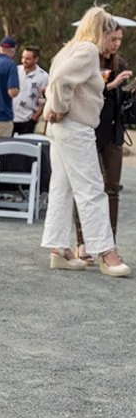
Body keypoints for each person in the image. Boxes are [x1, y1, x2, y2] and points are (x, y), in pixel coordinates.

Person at [40, 7, 130, 278]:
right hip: (75, 126)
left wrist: (56, 108)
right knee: (92, 189)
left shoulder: (69, 48)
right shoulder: (88, 51)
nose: (111, 42)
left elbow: (58, 77)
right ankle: (106, 252)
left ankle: (59, 248)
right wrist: (59, 105)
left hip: (60, 127)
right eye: (109, 34)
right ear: (101, 31)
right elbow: (60, 80)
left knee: (62, 188)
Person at [73, 21, 132, 263]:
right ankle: (83, 242)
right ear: (102, 37)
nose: (116, 44)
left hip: (113, 134)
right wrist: (110, 86)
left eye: (120, 40)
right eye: (113, 39)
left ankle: (110, 243)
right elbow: (84, 93)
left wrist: (127, 92)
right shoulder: (86, 59)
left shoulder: (121, 64)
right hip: (88, 130)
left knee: (112, 189)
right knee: (87, 188)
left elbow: (119, 103)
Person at [12, 46, 48, 135]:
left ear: (36, 59)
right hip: (11, 117)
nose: (24, 61)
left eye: (28, 59)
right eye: (23, 58)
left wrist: (35, 117)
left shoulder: (43, 76)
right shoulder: (15, 71)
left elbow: (45, 100)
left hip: (27, 118)